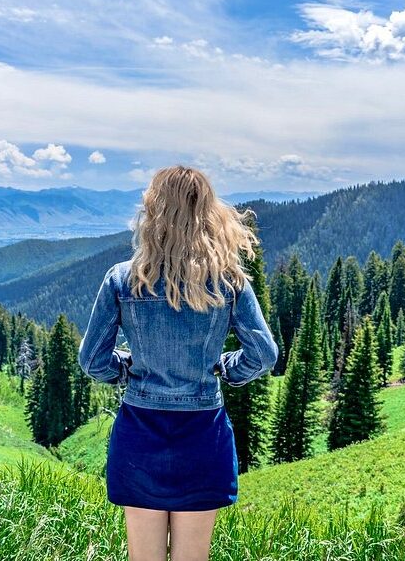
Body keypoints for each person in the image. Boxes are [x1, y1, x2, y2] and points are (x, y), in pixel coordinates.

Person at [78, 165, 279, 561]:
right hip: (203, 434)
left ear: (153, 213)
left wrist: (127, 370)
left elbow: (92, 360)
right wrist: (225, 368)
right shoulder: (229, 281)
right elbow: (264, 354)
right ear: (207, 212)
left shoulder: (123, 279)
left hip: (140, 432)